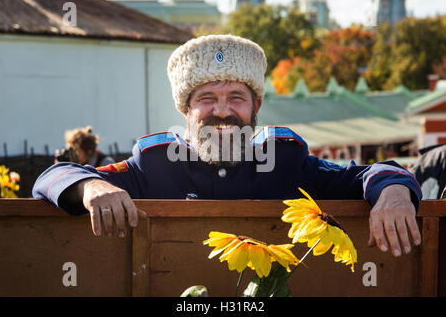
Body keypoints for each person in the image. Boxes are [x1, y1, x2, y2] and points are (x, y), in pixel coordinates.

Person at [33, 35, 422, 257]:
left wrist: (393, 193)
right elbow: (54, 175)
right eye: (206, 98)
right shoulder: (152, 164)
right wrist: (94, 187)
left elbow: (372, 172)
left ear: (257, 106)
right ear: (186, 108)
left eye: (236, 96)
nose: (222, 111)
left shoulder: (288, 160)